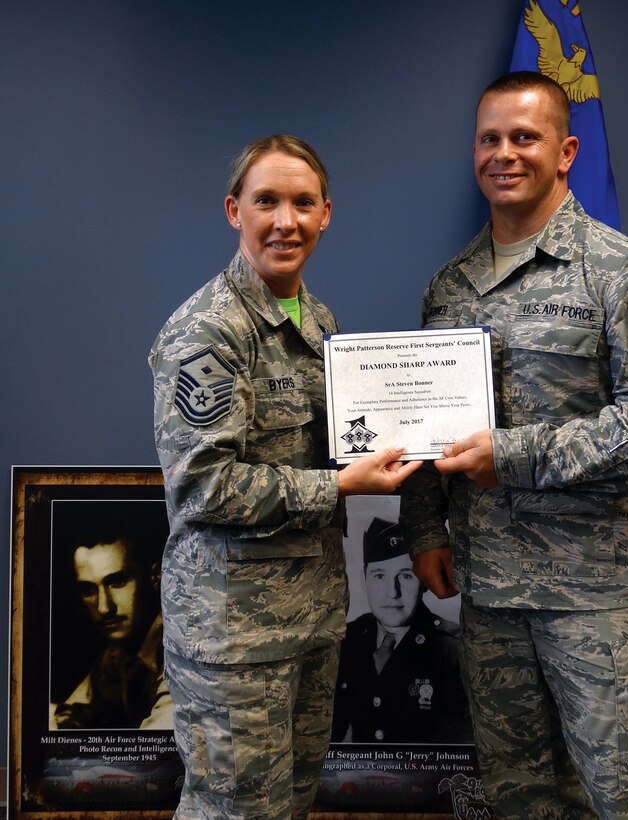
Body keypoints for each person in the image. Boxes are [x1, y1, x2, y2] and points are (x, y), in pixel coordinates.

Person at [400, 72, 628, 818]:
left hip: (600, 605)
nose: (503, 154)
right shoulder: (450, 288)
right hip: (493, 602)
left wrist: (514, 455)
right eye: (489, 138)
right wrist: (421, 527)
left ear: (566, 150)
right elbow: (423, 419)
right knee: (523, 801)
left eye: (524, 137)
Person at [149, 135, 422, 820]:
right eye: (265, 201)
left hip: (309, 623)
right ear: (232, 209)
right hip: (234, 639)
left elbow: (337, 444)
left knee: (290, 806)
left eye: (302, 204)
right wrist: (340, 487)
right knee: (233, 811)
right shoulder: (208, 331)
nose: (284, 221)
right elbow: (204, 487)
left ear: (326, 214)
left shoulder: (318, 320)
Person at [332, 517, 472, 744]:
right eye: (379, 575)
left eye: (406, 576)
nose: (392, 592)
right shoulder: (347, 639)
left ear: (424, 580)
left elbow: (459, 743)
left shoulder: (452, 648)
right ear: (363, 579)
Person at [51, 503, 171, 730]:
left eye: (117, 582)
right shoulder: (117, 656)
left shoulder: (180, 646)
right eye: (88, 590)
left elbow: (158, 743)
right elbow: (66, 716)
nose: (104, 608)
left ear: (156, 577)